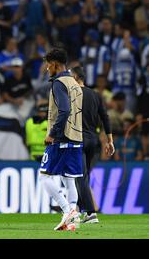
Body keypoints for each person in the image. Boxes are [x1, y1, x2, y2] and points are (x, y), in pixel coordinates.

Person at [40, 48, 83, 231]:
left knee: (44, 176)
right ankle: (73, 217)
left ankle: (67, 211)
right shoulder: (74, 82)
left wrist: (53, 133)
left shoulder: (59, 83)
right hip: (76, 137)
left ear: (55, 64)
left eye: (48, 64)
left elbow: (64, 110)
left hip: (62, 137)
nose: (46, 67)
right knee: (68, 178)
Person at [70, 66, 114, 224]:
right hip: (94, 142)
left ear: (75, 77)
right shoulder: (95, 95)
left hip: (78, 141)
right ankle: (80, 211)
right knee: (84, 177)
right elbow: (105, 117)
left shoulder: (72, 94)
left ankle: (90, 213)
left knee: (79, 177)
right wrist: (110, 140)